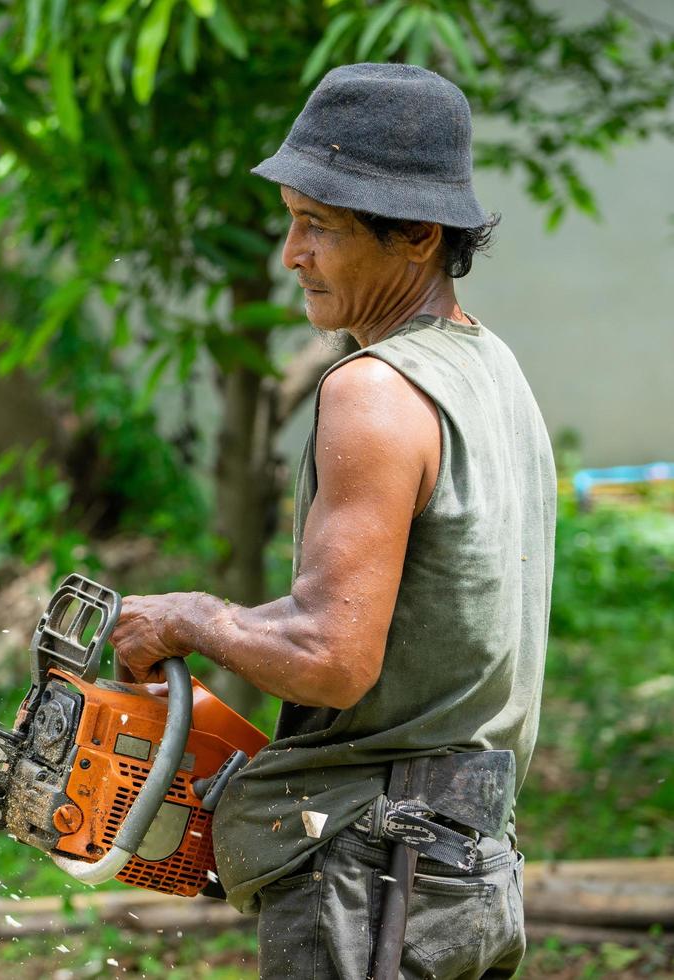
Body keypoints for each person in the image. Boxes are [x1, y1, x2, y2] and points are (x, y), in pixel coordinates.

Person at [110, 63, 555, 978]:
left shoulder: (374, 390)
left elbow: (333, 657)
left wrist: (195, 616)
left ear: (418, 235)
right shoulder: (492, 371)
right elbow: (376, 624)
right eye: (291, 219)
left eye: (318, 224)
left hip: (373, 872)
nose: (291, 253)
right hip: (466, 863)